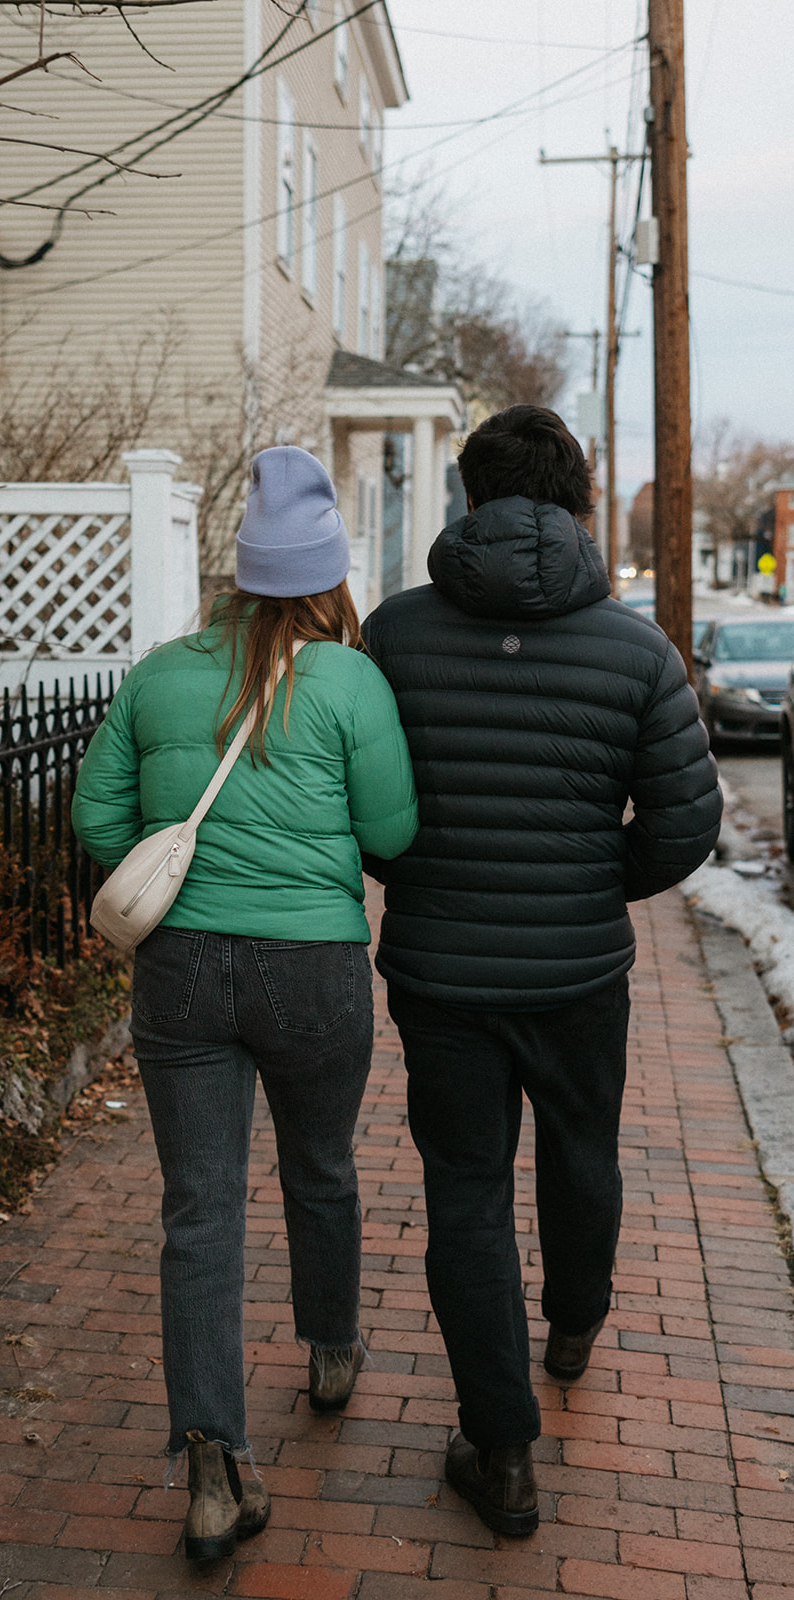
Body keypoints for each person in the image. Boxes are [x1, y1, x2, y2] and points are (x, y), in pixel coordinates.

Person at [361, 405, 722, 1538]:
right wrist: (592, 882)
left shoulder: (395, 635)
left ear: (469, 497)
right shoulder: (637, 647)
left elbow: (365, 805)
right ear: (572, 501)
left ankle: (503, 1452)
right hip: (577, 973)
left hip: (441, 972)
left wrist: (411, 869)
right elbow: (686, 819)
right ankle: (575, 1320)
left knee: (466, 1194)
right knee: (582, 1148)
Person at [72, 446, 418, 1562]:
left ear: (236, 572)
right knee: (319, 1164)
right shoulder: (352, 681)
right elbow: (394, 835)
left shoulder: (160, 671)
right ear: (327, 573)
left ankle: (214, 1463)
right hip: (313, 967)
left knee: (200, 1207)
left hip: (179, 968)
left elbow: (95, 819)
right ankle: (329, 1351)